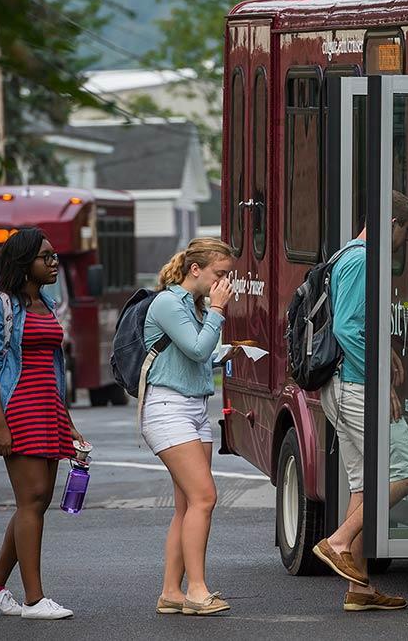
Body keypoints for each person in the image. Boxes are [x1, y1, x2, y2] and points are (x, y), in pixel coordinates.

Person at [314, 191, 408, 612]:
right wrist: (385, 385)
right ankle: (338, 541)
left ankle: (358, 589)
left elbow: (359, 326)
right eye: (407, 230)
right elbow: (346, 328)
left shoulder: (346, 255)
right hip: (359, 388)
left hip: (342, 387)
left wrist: (388, 353)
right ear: (392, 224)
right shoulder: (363, 260)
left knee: (362, 485)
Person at [0, 228, 84, 620]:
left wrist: (68, 420)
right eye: (46, 257)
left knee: (36, 502)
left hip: (48, 407)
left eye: (55, 256)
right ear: (25, 264)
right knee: (32, 500)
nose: (54, 262)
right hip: (18, 409)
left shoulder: (48, 305)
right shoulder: (1, 307)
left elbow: (54, 368)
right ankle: (34, 600)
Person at [141, 237, 236, 616]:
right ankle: (196, 590)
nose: (225, 282)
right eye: (220, 274)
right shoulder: (167, 302)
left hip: (195, 407)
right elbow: (196, 348)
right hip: (168, 407)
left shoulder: (193, 306)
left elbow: (199, 354)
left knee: (186, 506)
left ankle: (171, 591)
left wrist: (227, 349)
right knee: (204, 498)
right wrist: (216, 310)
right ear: (196, 270)